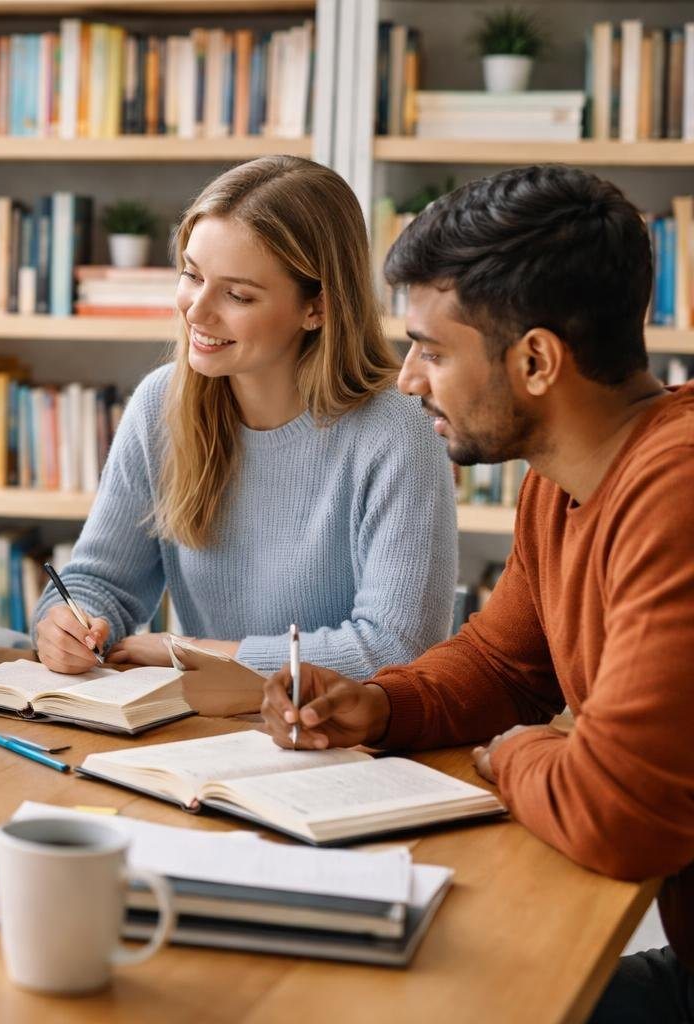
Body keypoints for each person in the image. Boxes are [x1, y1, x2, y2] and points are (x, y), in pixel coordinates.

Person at [260, 164, 694, 1022]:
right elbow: (503, 661)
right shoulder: (560, 480)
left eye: (432, 348)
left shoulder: (676, 492)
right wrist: (378, 703)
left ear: (536, 360)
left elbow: (618, 813)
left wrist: (519, 754)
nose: (408, 380)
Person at [34, 155, 456, 684]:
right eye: (191, 275)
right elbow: (99, 584)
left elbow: (395, 649)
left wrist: (189, 652)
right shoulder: (160, 405)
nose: (197, 310)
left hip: (344, 744)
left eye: (237, 294)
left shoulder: (398, 429)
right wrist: (65, 625)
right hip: (206, 732)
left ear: (317, 308)